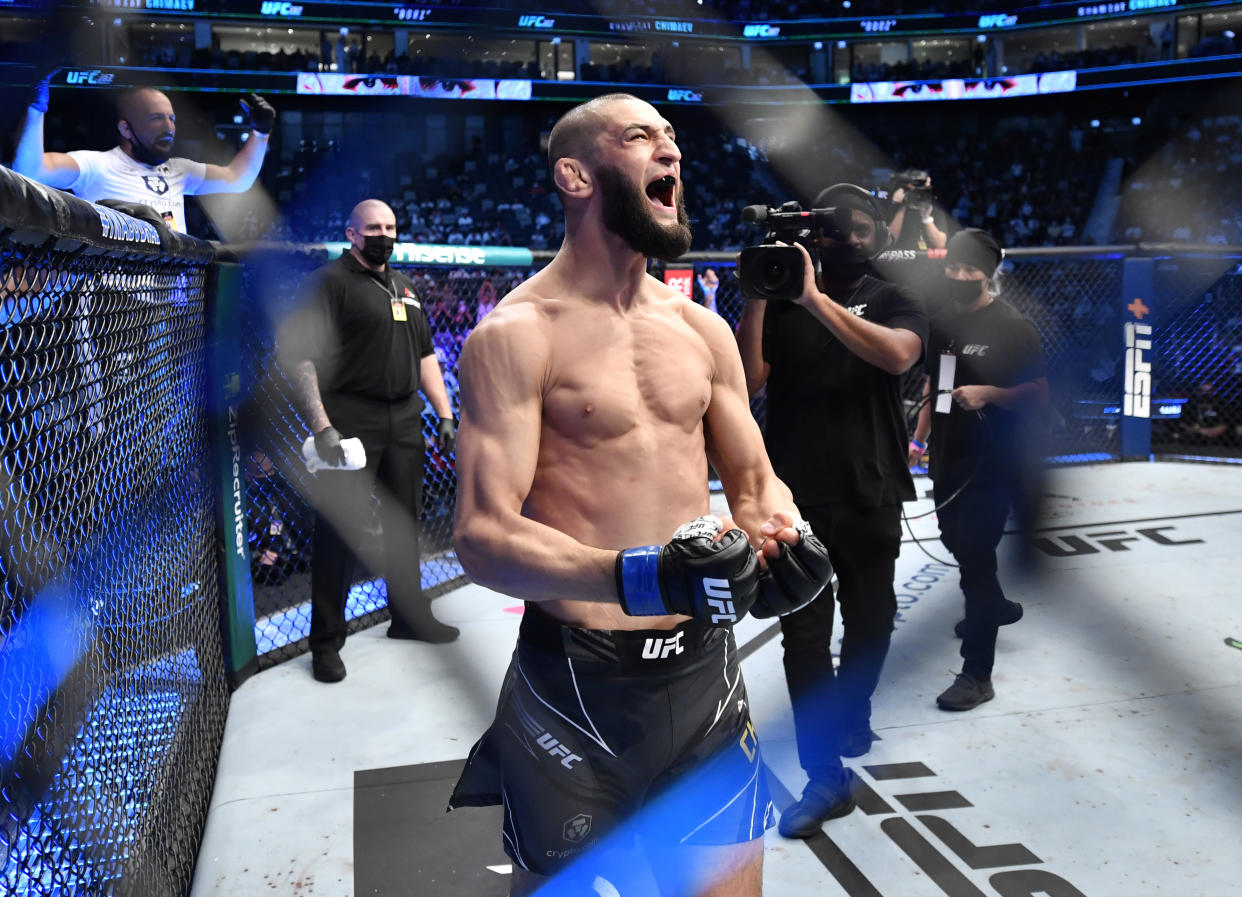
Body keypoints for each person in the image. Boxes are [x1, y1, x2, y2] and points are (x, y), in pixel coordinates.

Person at [447, 94, 834, 897]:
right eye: (641, 138)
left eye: (674, 141)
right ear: (575, 174)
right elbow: (483, 533)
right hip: (574, 689)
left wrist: (784, 535)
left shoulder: (704, 330)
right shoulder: (518, 335)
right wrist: (638, 574)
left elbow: (757, 482)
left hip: (703, 679)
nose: (672, 155)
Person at [735, 183, 927, 838]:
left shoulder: (895, 293)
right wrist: (760, 297)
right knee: (803, 638)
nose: (847, 238)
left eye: (859, 228)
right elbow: (748, 380)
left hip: (870, 489)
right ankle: (825, 776)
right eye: (833, 228)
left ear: (877, 232)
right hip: (794, 495)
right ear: (811, 235)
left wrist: (813, 298)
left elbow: (898, 354)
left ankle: (852, 707)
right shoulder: (782, 292)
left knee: (873, 620)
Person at [278, 199, 460, 684]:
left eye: (391, 226)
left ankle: (408, 617)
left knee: (406, 522)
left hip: (404, 418)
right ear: (352, 233)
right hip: (349, 418)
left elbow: (426, 355)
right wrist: (321, 426)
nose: (384, 234)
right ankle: (325, 643)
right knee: (339, 534)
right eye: (374, 227)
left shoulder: (405, 286)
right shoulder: (327, 284)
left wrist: (444, 413)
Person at [908, 228, 1048, 711]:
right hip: (949, 453)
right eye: (955, 267)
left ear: (988, 275)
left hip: (994, 458)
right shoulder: (942, 323)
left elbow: (1040, 393)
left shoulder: (1013, 326)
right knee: (955, 540)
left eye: (972, 270)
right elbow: (935, 383)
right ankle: (992, 604)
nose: (961, 276)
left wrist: (991, 395)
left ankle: (977, 672)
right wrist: (918, 438)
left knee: (974, 551)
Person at [10, 85, 274, 234]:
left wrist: (260, 134)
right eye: (156, 118)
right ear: (126, 130)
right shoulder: (98, 165)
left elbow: (238, 179)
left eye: (171, 118)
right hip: (115, 310)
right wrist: (36, 108)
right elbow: (31, 171)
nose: (168, 127)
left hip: (174, 309)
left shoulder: (181, 171)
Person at [887, 168, 950, 251]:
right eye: (913, 191)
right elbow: (888, 242)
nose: (917, 195)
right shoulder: (892, 209)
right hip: (897, 262)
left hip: (926, 263)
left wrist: (926, 218)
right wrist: (901, 207)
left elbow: (940, 244)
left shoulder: (935, 212)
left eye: (922, 190)